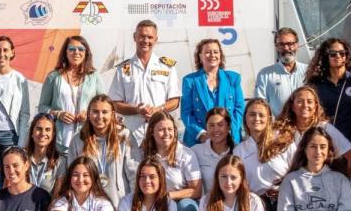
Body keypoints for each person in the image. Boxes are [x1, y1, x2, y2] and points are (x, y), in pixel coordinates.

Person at [233, 99, 297, 211]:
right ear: (245, 119)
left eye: (261, 115)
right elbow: (239, 182)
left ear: (269, 118)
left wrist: (283, 187)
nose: (257, 119)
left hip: (285, 198)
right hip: (258, 203)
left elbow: (297, 171)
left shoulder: (283, 141)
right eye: (252, 115)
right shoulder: (239, 150)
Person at [109, 20, 181, 150]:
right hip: (131, 134)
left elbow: (175, 101)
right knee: (132, 170)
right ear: (134, 37)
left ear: (156, 39)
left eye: (150, 37)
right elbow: (115, 103)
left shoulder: (167, 67)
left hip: (160, 133)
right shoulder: (123, 68)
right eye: (141, 36)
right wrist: (137, 109)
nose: (145, 40)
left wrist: (157, 110)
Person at [139, 112, 202, 211]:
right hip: (151, 201)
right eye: (161, 129)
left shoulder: (186, 154)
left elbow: (197, 190)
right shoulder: (144, 153)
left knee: (187, 207)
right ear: (152, 132)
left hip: (178, 201)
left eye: (170, 129)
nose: (166, 133)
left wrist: (167, 196)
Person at [38, 35, 105, 155]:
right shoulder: (53, 77)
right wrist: (59, 114)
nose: (76, 52)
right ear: (65, 52)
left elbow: (104, 106)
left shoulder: (94, 77)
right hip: (59, 143)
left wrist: (89, 114)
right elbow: (42, 107)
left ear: (86, 53)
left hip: (87, 140)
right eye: (72, 49)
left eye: (80, 49)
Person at [276, 86, 351, 176]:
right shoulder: (281, 131)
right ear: (292, 106)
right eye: (299, 101)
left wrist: (339, 182)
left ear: (315, 106)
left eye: (309, 102)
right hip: (289, 184)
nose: (305, 105)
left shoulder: (325, 128)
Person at [67, 94, 133, 206]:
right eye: (95, 111)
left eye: (104, 112)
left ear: (112, 114)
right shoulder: (78, 140)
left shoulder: (124, 136)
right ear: (88, 113)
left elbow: (134, 172)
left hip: (120, 204)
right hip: (89, 207)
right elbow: (71, 175)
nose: (99, 116)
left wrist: (134, 202)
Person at [306, 37, 351, 154]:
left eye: (342, 53)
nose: (338, 56)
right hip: (326, 145)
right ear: (326, 56)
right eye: (333, 54)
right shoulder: (315, 84)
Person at [181, 38, 244, 147]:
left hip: (230, 139)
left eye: (215, 52)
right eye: (207, 52)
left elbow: (239, 109)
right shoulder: (189, 80)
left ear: (220, 56)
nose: (212, 55)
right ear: (200, 56)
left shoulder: (233, 78)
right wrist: (201, 134)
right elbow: (186, 113)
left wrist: (228, 131)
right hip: (199, 142)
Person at [255, 27, 308, 115]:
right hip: (278, 127)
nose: (286, 48)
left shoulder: (308, 71)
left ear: (297, 45)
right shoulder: (265, 74)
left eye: (290, 44)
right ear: (276, 47)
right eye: (281, 44)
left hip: (305, 127)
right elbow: (260, 106)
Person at [190, 107, 236, 194]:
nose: (215, 130)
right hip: (207, 204)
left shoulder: (239, 151)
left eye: (220, 125)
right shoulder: (196, 151)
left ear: (228, 127)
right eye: (211, 125)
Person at [26, 113, 66, 195]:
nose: (43, 133)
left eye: (47, 130)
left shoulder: (60, 161)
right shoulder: (21, 157)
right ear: (31, 133)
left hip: (47, 206)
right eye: (39, 129)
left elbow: (57, 196)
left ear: (53, 134)